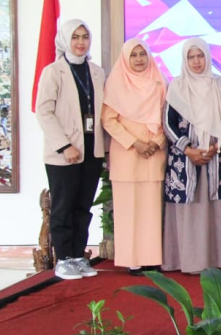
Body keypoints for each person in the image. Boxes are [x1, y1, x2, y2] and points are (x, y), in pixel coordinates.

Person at [161, 38, 221, 274]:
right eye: (191, 57)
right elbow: (168, 123)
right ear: (185, 60)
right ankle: (189, 262)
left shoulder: (220, 85)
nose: (196, 62)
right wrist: (188, 149)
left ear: (207, 57)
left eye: (200, 56)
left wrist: (216, 147)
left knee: (218, 210)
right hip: (185, 161)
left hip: (216, 158)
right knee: (191, 209)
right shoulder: (176, 87)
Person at [35, 19, 106, 280]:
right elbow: (44, 112)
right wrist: (65, 145)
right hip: (64, 153)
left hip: (91, 149)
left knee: (83, 206)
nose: (80, 42)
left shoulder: (97, 72)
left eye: (85, 37)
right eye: (75, 37)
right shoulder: (53, 71)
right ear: (65, 40)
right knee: (63, 206)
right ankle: (63, 259)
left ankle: (77, 256)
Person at [102, 38, 167, 275]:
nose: (139, 59)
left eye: (142, 54)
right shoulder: (116, 83)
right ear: (125, 58)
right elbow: (108, 120)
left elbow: (167, 117)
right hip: (127, 153)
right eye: (133, 55)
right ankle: (132, 260)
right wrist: (135, 143)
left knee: (151, 210)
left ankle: (151, 258)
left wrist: (157, 142)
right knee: (128, 210)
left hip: (153, 153)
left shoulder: (159, 82)